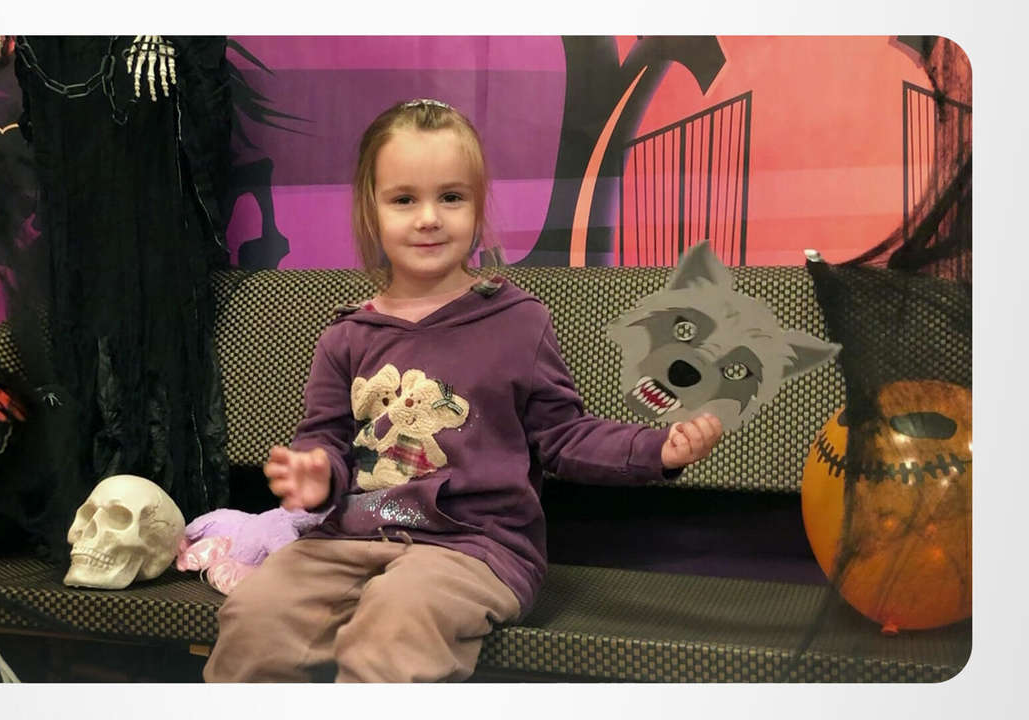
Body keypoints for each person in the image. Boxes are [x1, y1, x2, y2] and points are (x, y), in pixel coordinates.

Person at [202, 98, 724, 683]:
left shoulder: (518, 321)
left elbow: (564, 435)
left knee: (396, 621)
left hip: (474, 548)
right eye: (404, 199)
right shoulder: (346, 336)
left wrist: (657, 450)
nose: (429, 218)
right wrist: (317, 473)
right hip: (350, 536)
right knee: (256, 615)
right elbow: (324, 439)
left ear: (477, 206)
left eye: (451, 197)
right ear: (372, 212)